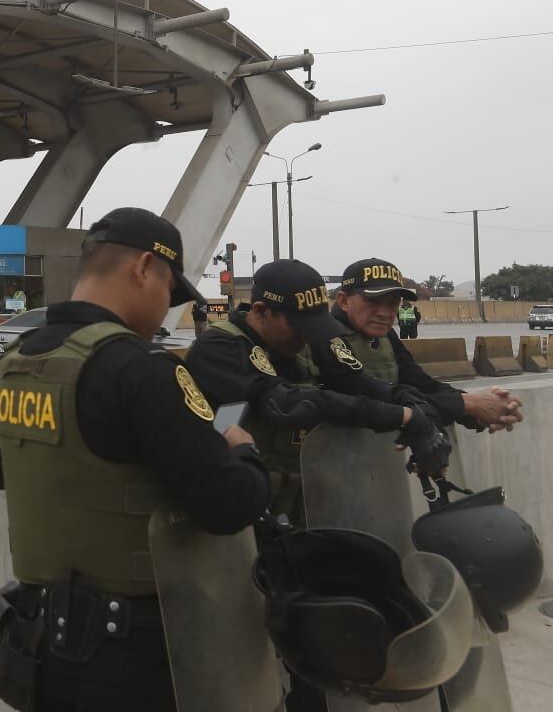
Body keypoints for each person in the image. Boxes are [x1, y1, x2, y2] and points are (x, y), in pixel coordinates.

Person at [0, 207, 270, 711]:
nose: (165, 311)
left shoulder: (15, 360)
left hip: (35, 644)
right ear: (143, 269)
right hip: (129, 653)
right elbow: (227, 504)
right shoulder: (142, 368)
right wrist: (243, 451)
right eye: (169, 292)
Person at [184, 259, 450, 712]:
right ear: (262, 312)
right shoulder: (219, 349)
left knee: (319, 654)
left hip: (307, 517)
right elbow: (288, 405)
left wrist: (410, 404)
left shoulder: (313, 335)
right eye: (296, 324)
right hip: (239, 528)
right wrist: (395, 416)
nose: (307, 336)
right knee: (247, 662)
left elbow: (357, 381)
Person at [314, 258, 522, 435]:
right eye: (373, 301)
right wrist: (468, 404)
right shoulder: (328, 336)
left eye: (392, 303)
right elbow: (368, 393)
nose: (385, 313)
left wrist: (477, 409)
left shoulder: (384, 334)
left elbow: (419, 383)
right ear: (343, 301)